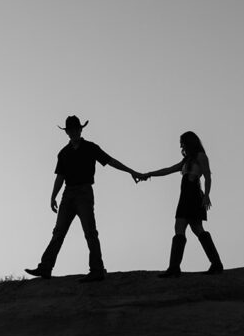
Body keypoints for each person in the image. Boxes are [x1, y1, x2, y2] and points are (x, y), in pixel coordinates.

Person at [25, 115, 143, 283]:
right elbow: (60, 176)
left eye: (75, 129)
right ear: (67, 132)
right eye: (70, 130)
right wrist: (53, 196)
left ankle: (96, 270)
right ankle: (45, 267)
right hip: (68, 194)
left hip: (84, 193)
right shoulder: (63, 153)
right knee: (58, 232)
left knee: (90, 231)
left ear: (80, 130)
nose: (73, 132)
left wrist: (131, 171)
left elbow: (110, 161)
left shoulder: (90, 148)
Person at [137, 131, 223, 277]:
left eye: (182, 142)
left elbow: (208, 176)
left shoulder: (200, 156)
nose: (181, 145)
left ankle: (178, 268)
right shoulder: (186, 160)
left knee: (190, 227)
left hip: (193, 194)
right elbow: (168, 170)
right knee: (191, 228)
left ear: (189, 142)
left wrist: (207, 195)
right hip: (185, 195)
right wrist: (148, 174)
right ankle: (212, 264)